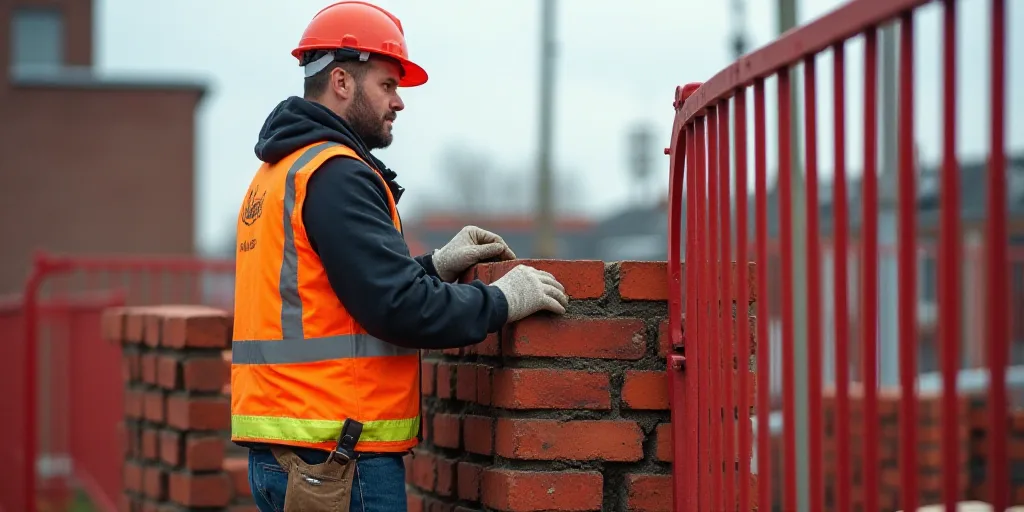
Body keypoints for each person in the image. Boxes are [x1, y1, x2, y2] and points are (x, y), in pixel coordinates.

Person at [229, 2, 569, 511]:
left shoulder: (281, 172)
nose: (399, 102)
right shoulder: (336, 174)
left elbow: (340, 299)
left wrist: (434, 268)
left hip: (294, 451)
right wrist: (501, 299)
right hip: (338, 459)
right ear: (342, 82)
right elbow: (398, 309)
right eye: (387, 85)